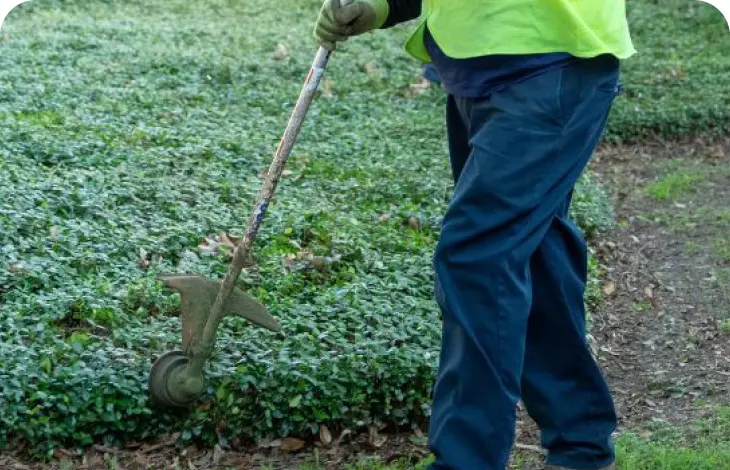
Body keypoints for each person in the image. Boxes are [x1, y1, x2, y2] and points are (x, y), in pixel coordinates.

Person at [313, 1, 635, 469]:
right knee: (530, 252)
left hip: (551, 61)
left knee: (477, 259)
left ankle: (467, 461)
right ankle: (581, 440)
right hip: (478, 61)